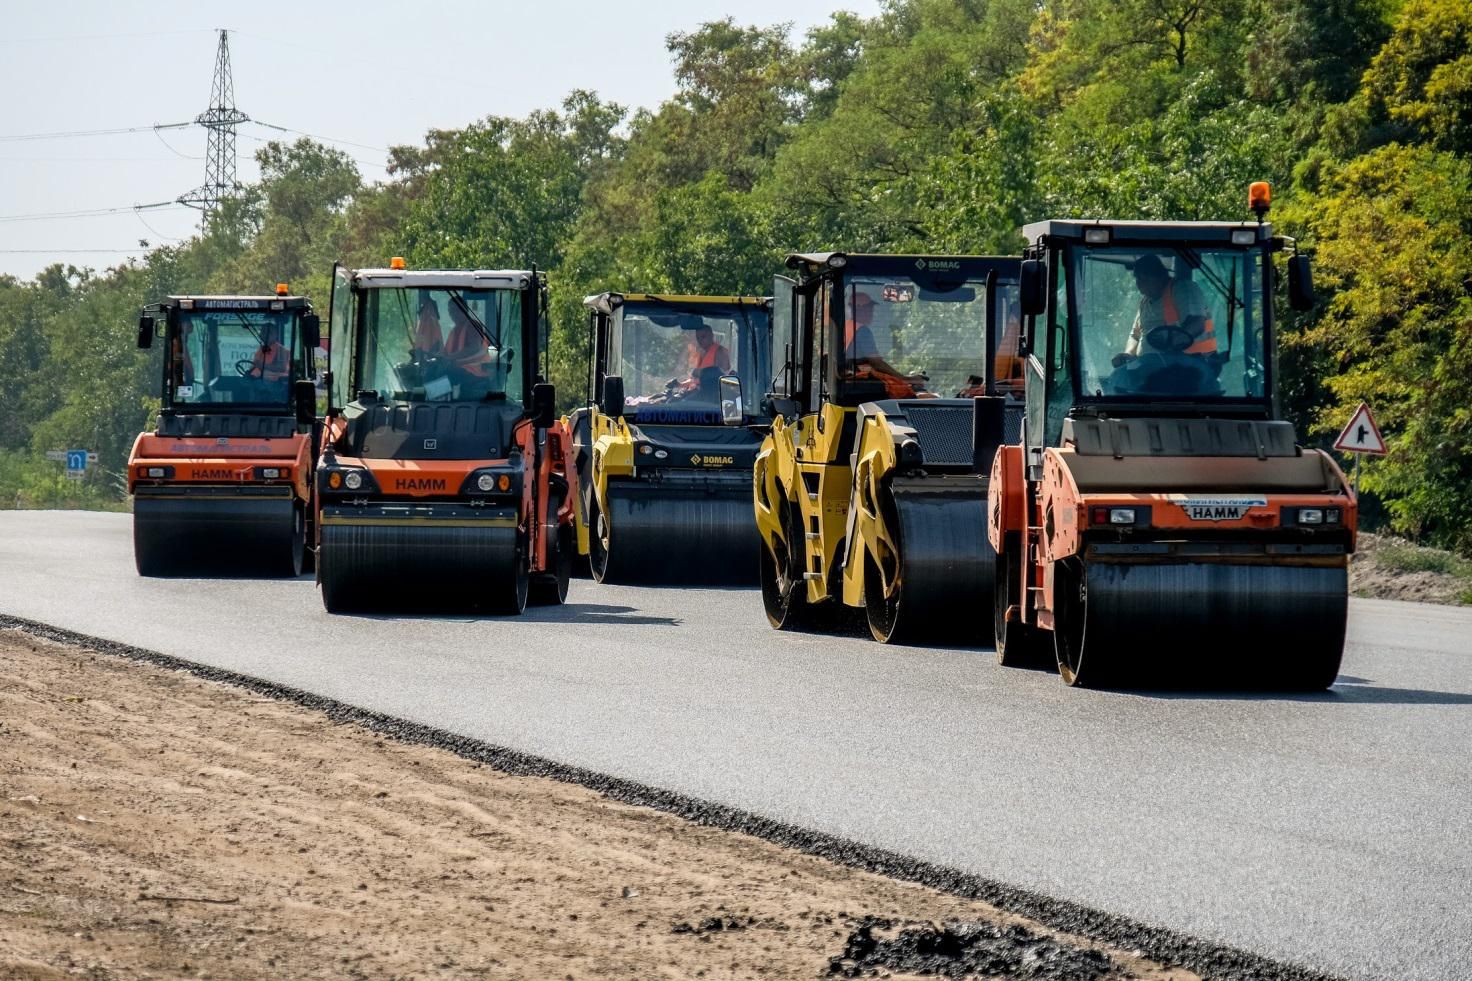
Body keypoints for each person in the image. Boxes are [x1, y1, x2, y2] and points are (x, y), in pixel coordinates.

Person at [1113, 255, 1215, 368]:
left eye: (1144, 279)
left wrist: (1171, 345)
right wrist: (1127, 354)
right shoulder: (1145, 302)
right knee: (1119, 379)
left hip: (1188, 368)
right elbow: (1135, 335)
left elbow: (1197, 323)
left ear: (1160, 276)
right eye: (1137, 279)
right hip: (1151, 369)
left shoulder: (1183, 289)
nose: (1139, 284)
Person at [842, 289, 917, 398]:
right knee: (903, 392)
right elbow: (877, 363)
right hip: (861, 385)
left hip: (851, 382)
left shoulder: (845, 327)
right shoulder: (862, 331)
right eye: (869, 308)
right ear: (859, 309)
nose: (871, 312)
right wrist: (904, 378)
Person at [444, 302, 490, 378]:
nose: (453, 314)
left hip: (475, 373)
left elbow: (474, 347)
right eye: (450, 311)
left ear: (465, 310)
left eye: (456, 310)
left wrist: (450, 357)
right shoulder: (454, 331)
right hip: (459, 371)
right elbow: (446, 352)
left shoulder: (472, 325)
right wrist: (438, 355)